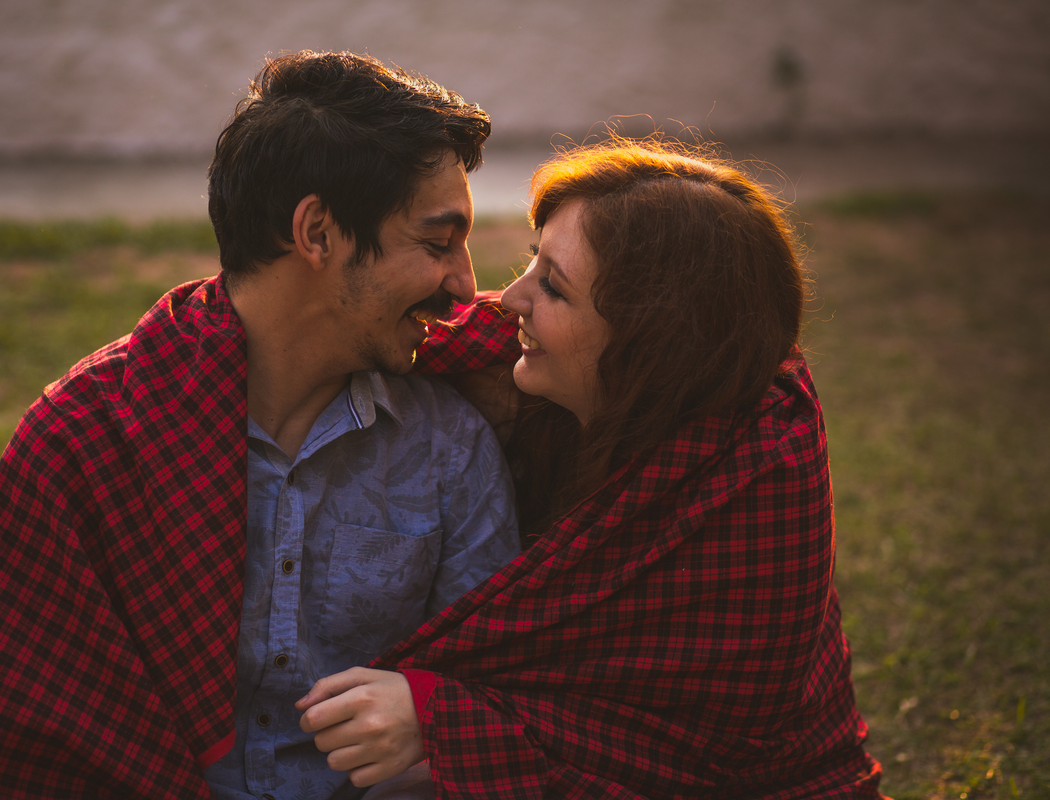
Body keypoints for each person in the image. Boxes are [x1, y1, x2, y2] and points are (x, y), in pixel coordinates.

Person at [0, 51, 519, 800]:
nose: (466, 286)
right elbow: (38, 741)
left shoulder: (449, 445)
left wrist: (434, 721)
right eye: (436, 242)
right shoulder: (86, 440)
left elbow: (493, 698)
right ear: (318, 232)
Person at [297, 141, 887, 799]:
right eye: (532, 262)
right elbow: (357, 333)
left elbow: (687, 755)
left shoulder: (759, 475)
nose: (509, 298)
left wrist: (440, 718)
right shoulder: (545, 375)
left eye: (553, 285)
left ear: (646, 339)